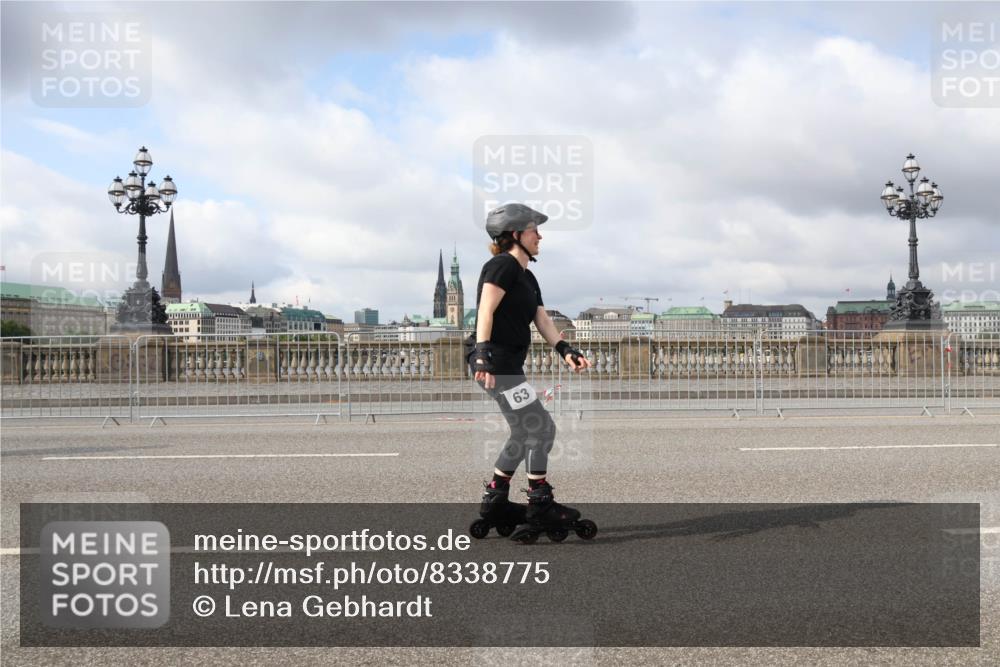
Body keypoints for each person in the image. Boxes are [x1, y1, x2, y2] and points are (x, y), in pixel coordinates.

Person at [469, 203, 592, 539]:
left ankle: (495, 497)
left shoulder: (527, 275)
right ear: (515, 234)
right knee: (542, 428)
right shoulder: (501, 266)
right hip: (496, 363)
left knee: (524, 432)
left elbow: (542, 319)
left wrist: (566, 350)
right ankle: (539, 502)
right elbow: (486, 311)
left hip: (508, 364)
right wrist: (482, 356)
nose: (540, 235)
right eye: (533, 229)